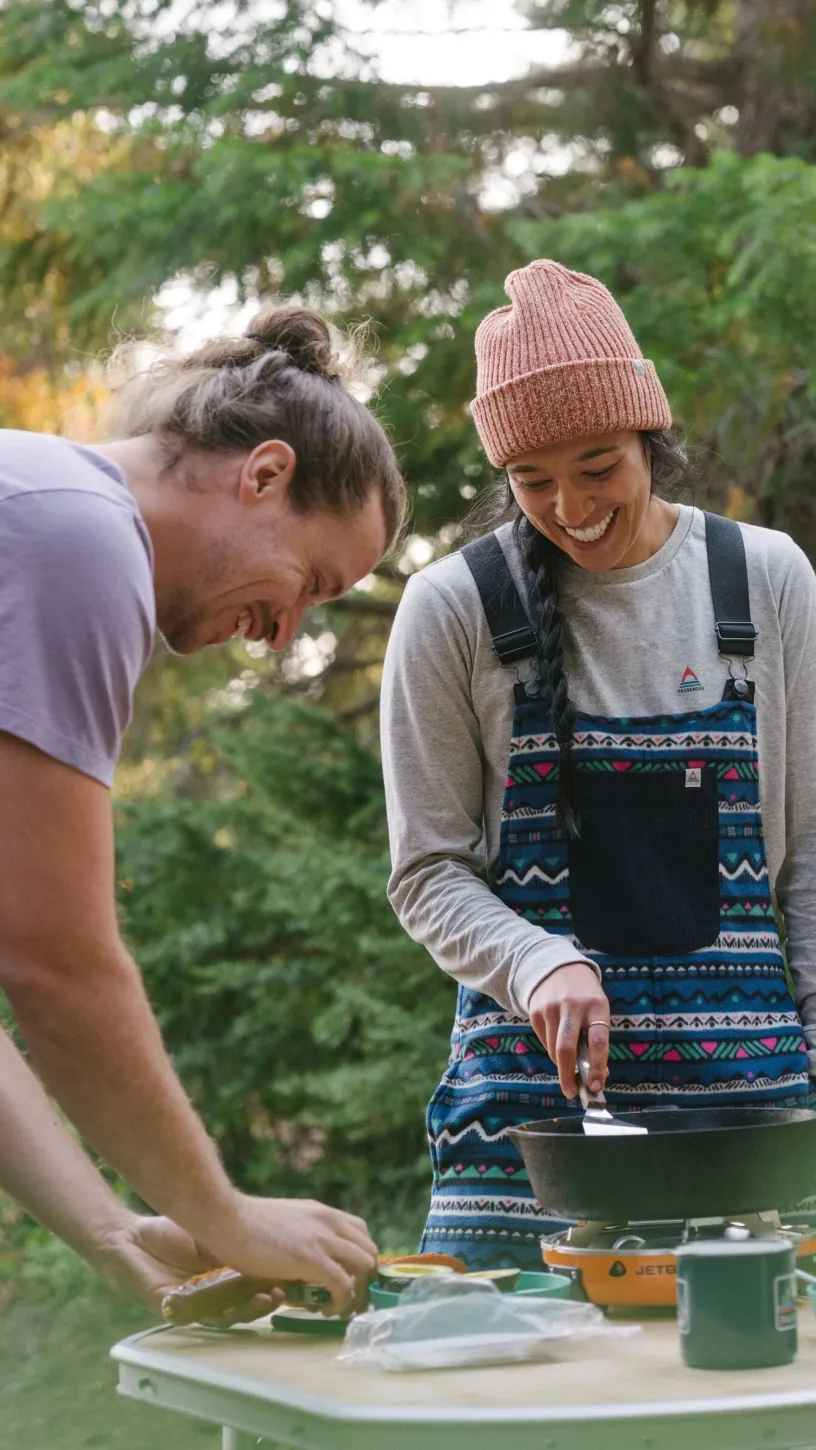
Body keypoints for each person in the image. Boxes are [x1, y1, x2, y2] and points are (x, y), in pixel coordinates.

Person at [381, 260, 816, 1270]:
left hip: (751, 1135)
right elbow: (426, 871)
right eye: (531, 479)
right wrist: (537, 959)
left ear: (650, 436)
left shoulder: (761, 580)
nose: (569, 504)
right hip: (523, 1150)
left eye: (598, 464)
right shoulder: (453, 609)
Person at [0, 305, 407, 1315]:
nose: (284, 634)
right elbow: (54, 960)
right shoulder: (76, 538)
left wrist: (116, 1236)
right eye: (309, 580)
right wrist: (226, 1212)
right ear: (263, 475)